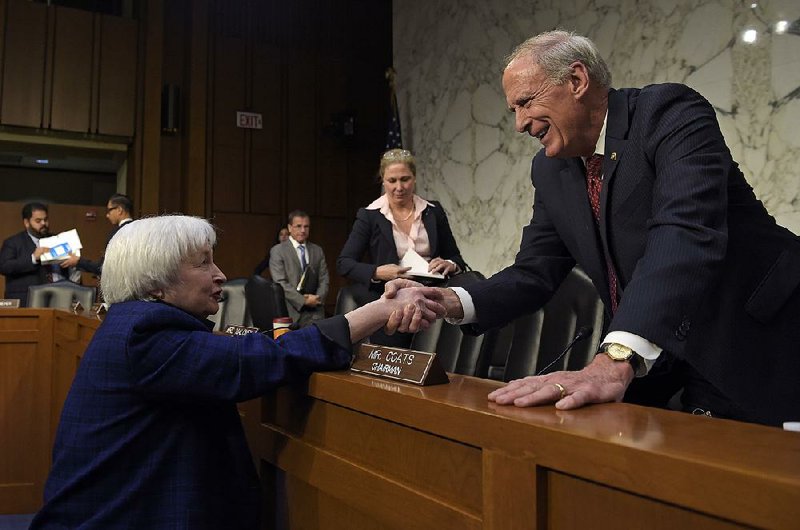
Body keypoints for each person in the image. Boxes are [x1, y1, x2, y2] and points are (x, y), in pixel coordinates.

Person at [389, 30, 800, 427]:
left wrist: (615, 358)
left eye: (525, 103)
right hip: (667, 356)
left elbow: (684, 232)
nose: (518, 124)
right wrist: (450, 300)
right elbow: (535, 271)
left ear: (576, 80)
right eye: (513, 109)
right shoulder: (550, 169)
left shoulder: (668, 113)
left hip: (762, 338)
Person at [30, 215, 443, 529]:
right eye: (203, 264)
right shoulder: (144, 332)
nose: (221, 275)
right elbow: (257, 362)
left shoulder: (131, 321)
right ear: (156, 284)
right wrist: (376, 312)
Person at [337, 148, 468, 346]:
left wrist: (449, 263)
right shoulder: (369, 215)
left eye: (405, 179)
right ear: (383, 180)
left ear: (414, 178)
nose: (399, 187)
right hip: (391, 293)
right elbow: (344, 263)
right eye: (392, 181)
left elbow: (456, 258)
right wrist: (379, 271)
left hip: (432, 291)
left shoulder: (434, 211)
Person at [0, 202, 80, 306]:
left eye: (45, 220)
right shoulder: (13, 242)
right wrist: (33, 258)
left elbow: (73, 270)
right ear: (26, 222)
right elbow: (4, 267)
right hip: (27, 300)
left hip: (60, 299)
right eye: (38, 221)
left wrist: (74, 259)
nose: (43, 223)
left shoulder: (58, 239)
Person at [268, 210, 329, 327]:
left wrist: (317, 299)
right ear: (290, 228)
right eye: (298, 226)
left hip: (315, 313)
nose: (303, 230)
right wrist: (303, 300)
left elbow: (324, 279)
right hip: (290, 312)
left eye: (306, 226)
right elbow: (280, 282)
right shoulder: (278, 251)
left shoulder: (317, 250)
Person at [61, 193, 135, 276]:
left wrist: (78, 261)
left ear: (119, 210)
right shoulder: (140, 231)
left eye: (109, 210)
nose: (107, 215)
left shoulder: (117, 234)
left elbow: (104, 268)